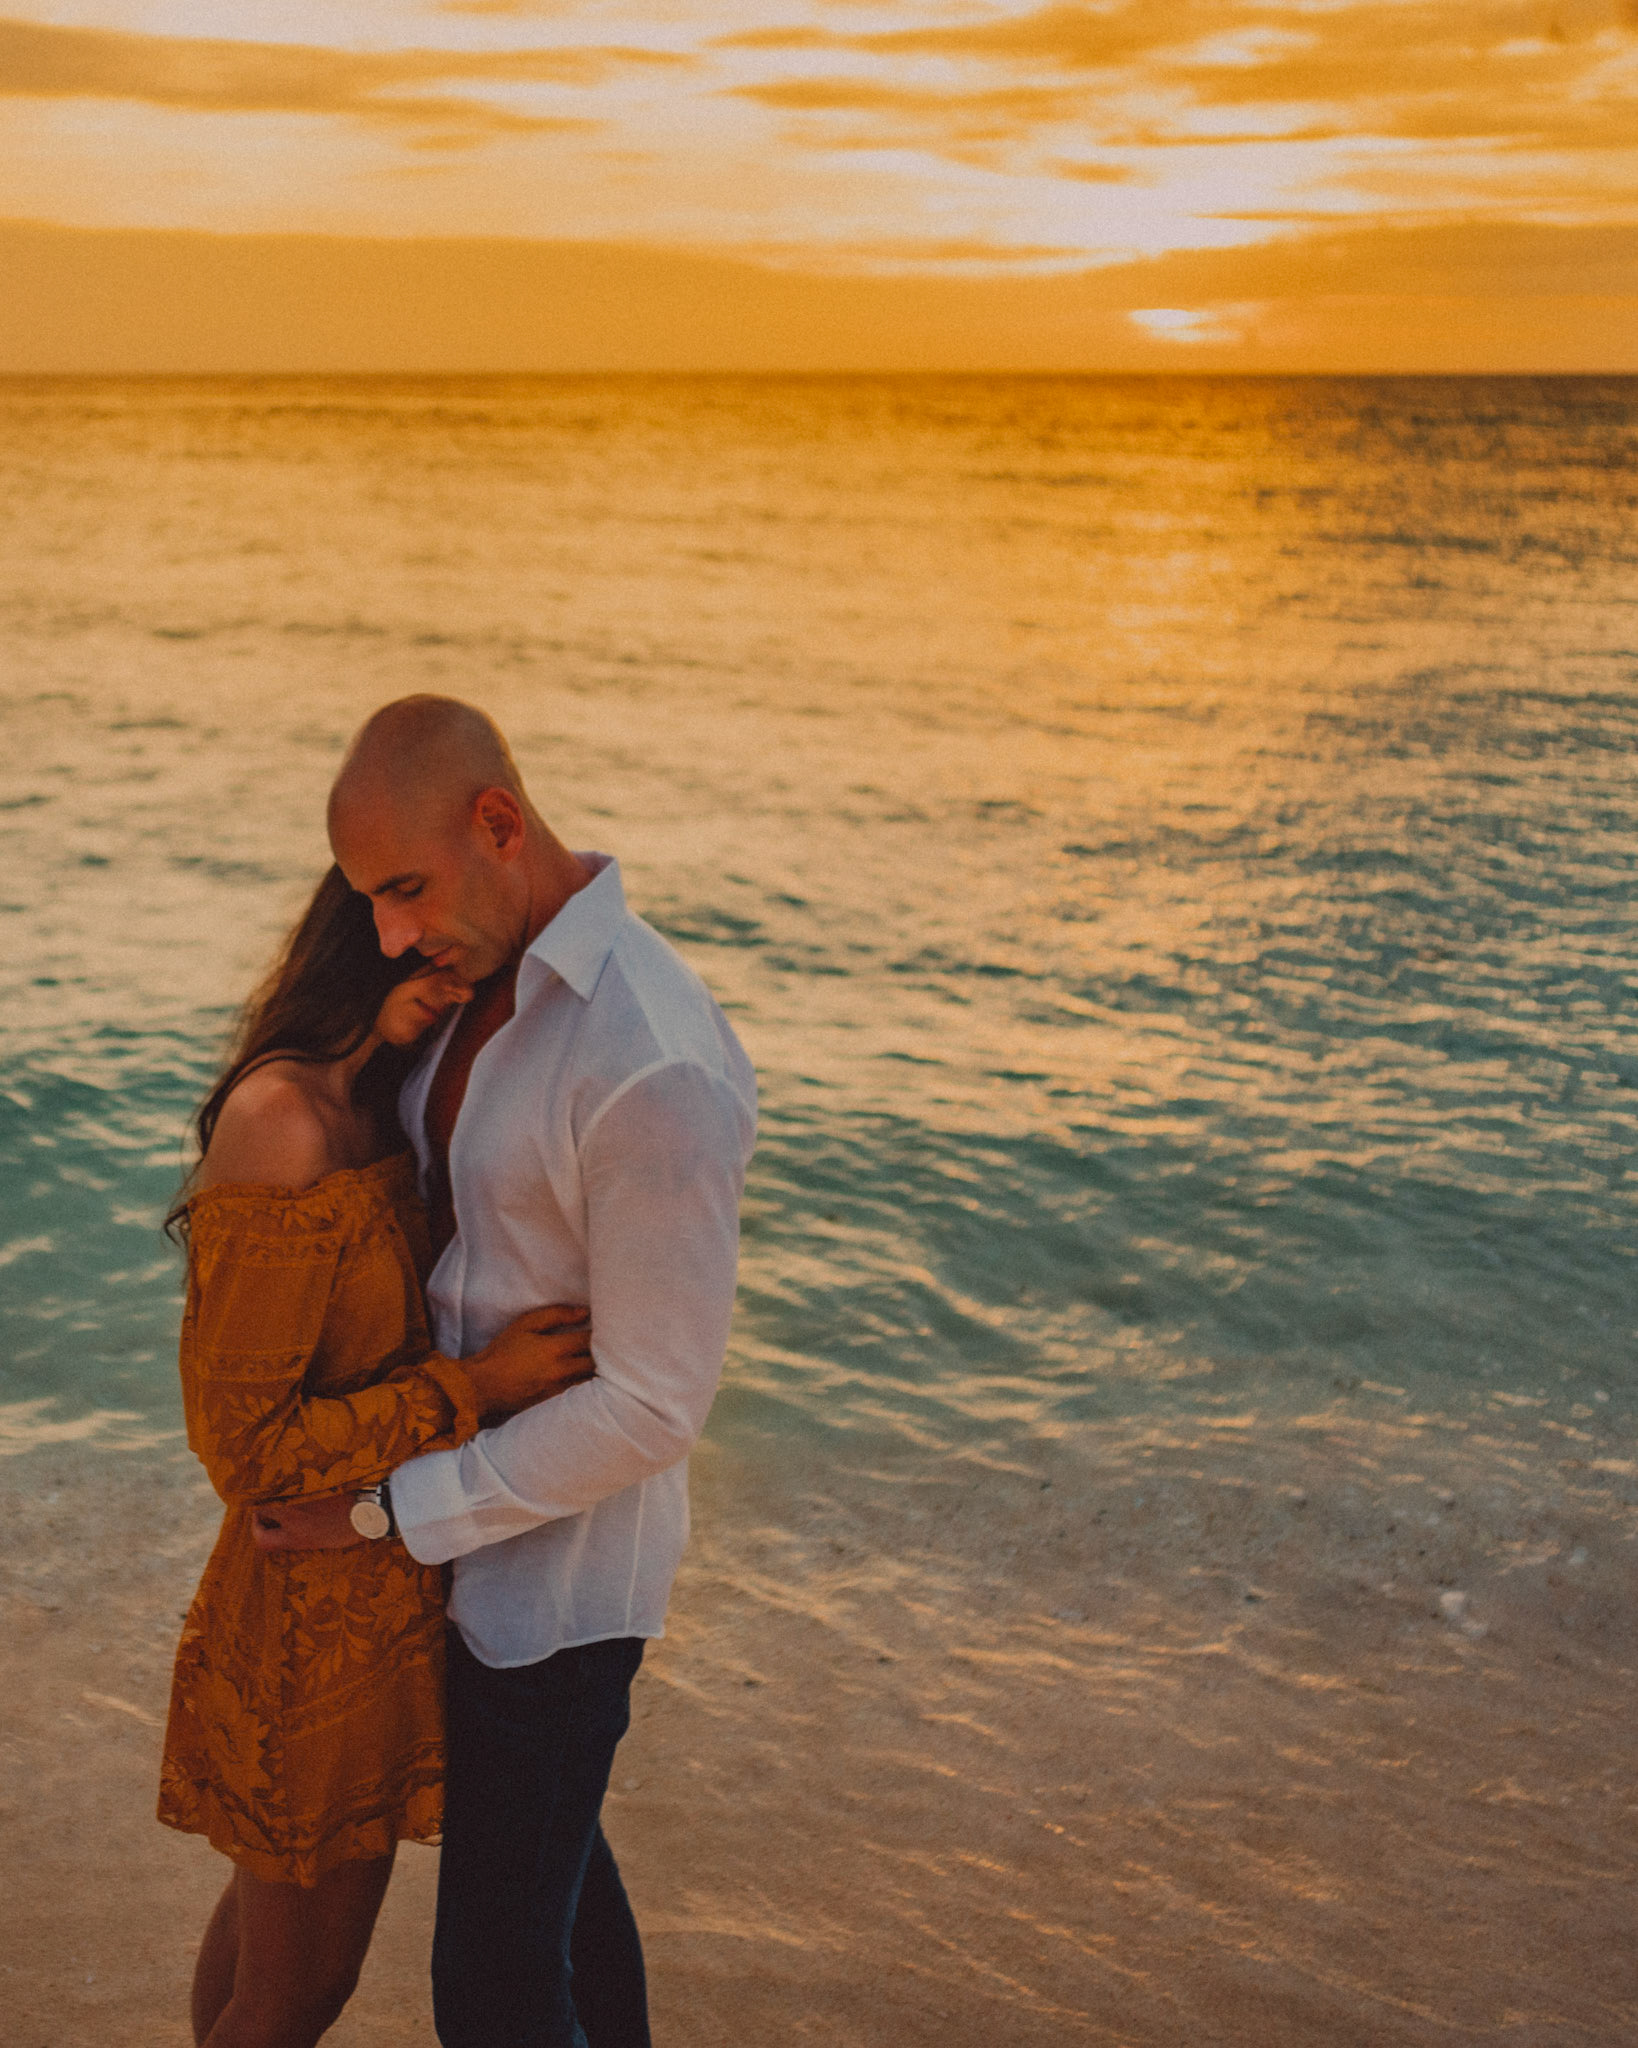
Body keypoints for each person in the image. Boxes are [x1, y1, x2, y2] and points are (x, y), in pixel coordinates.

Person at [258, 695, 758, 2048]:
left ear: (499, 823)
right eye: (368, 898)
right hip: (456, 1555)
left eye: (404, 889)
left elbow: (652, 1404)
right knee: (561, 1912)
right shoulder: (474, 982)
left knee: (490, 1992)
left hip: (556, 1594)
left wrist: (385, 1512)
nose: (388, 934)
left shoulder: (647, 1057)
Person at [159, 865, 597, 2048]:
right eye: (428, 951)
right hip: (307, 1619)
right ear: (365, 938)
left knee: (267, 1954)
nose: (452, 981)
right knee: (298, 1991)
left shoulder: (384, 1105)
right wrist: (479, 1387)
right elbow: (246, 1447)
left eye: (463, 964)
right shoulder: (283, 1117)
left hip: (380, 1590)